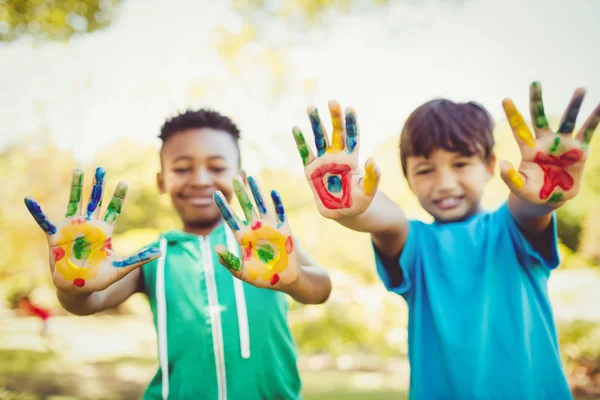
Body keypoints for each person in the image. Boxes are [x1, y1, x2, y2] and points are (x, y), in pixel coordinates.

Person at [291, 82, 599, 399]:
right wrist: (351, 205)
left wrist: (547, 193)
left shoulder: (511, 229)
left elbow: (532, 206)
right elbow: (387, 219)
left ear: (490, 166)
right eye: (425, 170)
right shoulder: (416, 245)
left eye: (461, 164)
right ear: (408, 180)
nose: (445, 183)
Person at [25, 109, 332, 400]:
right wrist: (73, 288)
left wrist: (294, 279)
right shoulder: (152, 257)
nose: (199, 180)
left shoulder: (271, 244)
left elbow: (319, 290)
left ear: (240, 175)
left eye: (217, 167)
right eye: (182, 169)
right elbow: (88, 302)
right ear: (162, 180)